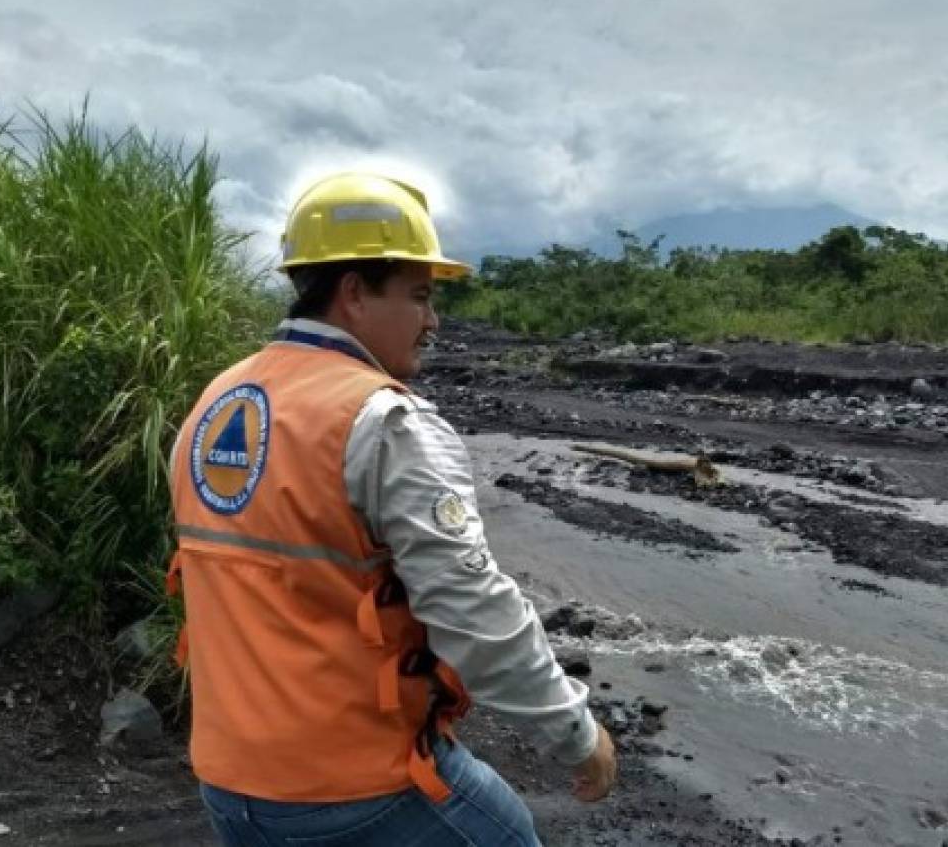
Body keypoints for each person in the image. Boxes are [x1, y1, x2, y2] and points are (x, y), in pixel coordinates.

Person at [166, 171, 616, 846]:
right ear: (353, 293)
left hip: (231, 782)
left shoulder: (216, 401)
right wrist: (577, 735)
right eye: (419, 295)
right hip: (352, 787)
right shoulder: (386, 423)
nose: (433, 321)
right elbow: (473, 605)